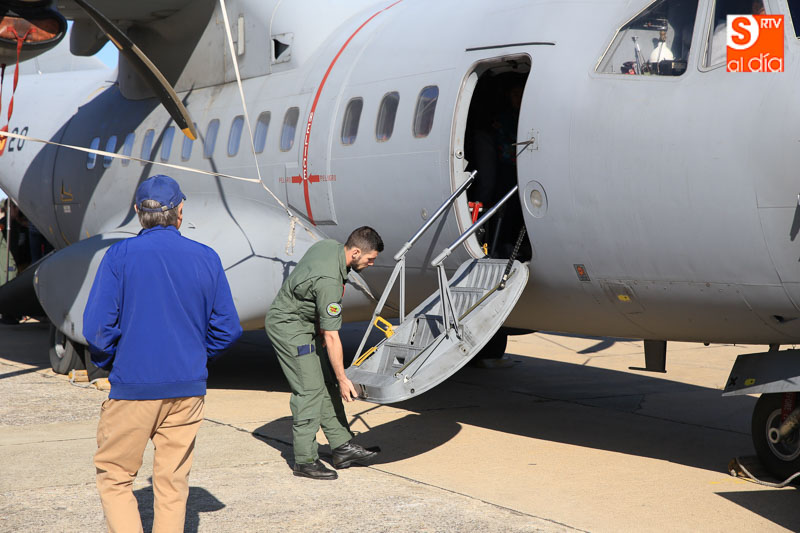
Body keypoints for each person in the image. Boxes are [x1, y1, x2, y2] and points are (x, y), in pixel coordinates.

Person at [83, 174, 242, 532]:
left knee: (115, 477)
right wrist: (197, 358)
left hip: (133, 386)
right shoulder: (207, 257)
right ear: (180, 211)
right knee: (172, 483)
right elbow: (228, 328)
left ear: (138, 211)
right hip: (187, 389)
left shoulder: (119, 255)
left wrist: (107, 363)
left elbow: (97, 328)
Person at [265, 226, 384, 480]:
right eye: (369, 258)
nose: (371, 263)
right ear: (354, 252)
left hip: (307, 323)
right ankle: (305, 460)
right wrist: (344, 378)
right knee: (309, 389)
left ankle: (342, 447)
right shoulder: (329, 281)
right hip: (290, 327)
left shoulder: (329, 246)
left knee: (326, 383)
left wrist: (336, 377)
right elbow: (332, 336)